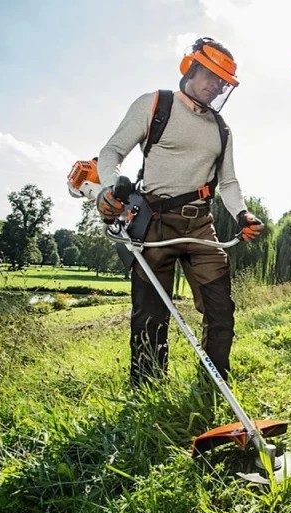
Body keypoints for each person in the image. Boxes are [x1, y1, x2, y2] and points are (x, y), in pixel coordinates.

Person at [95, 37, 264, 387]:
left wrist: (243, 215)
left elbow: (228, 182)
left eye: (222, 82)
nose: (216, 86)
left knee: (221, 310)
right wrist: (111, 188)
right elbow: (111, 152)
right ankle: (148, 390)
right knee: (151, 316)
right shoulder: (155, 104)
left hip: (201, 225)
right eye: (211, 76)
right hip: (153, 223)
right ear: (190, 67)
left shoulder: (222, 129)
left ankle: (212, 386)